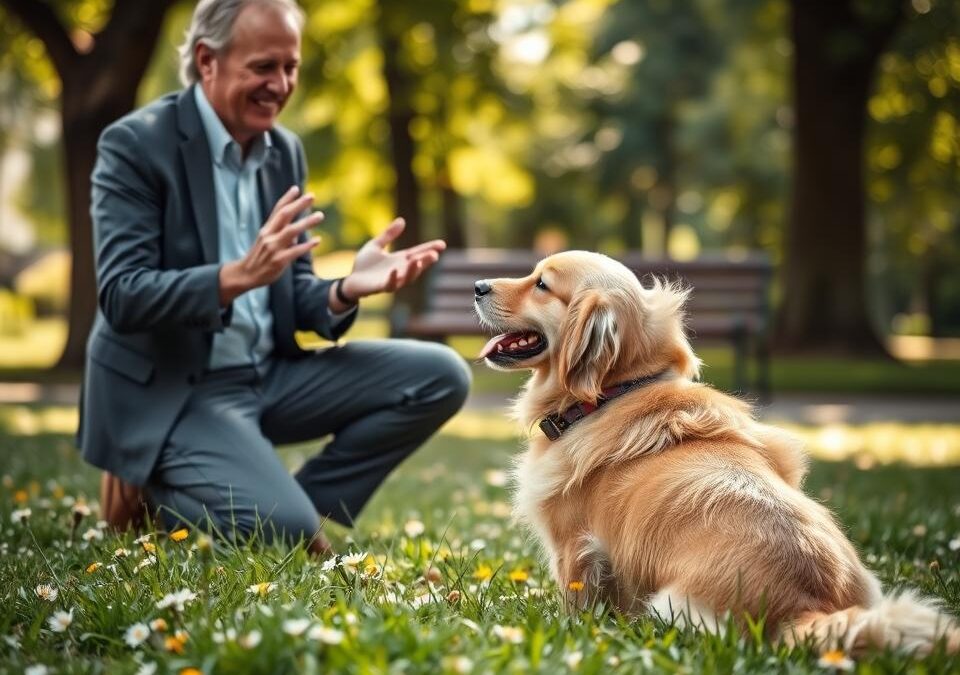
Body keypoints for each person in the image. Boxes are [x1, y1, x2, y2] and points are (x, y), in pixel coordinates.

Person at [80, 0, 471, 554]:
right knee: (282, 531)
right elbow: (122, 295)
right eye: (264, 67)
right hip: (181, 390)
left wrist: (344, 290)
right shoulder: (136, 145)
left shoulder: (283, 151)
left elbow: (292, 294)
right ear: (207, 60)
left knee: (441, 374)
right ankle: (168, 493)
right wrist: (234, 277)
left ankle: (282, 505)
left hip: (268, 376)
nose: (281, 84)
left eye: (290, 67)